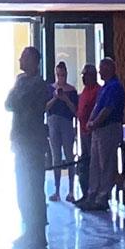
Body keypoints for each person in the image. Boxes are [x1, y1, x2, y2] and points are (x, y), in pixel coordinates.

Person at [3, 44, 52, 249]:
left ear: (33, 60)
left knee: (33, 189)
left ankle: (37, 233)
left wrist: (19, 96)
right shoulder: (20, 81)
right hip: (21, 140)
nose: (19, 61)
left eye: (23, 57)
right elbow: (9, 103)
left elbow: (24, 103)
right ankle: (28, 230)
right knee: (22, 188)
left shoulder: (39, 84)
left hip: (32, 142)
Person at [78, 56, 124, 213]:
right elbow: (98, 106)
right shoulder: (105, 87)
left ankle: (102, 197)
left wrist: (95, 122)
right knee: (95, 164)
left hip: (108, 128)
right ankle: (92, 194)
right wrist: (91, 122)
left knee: (106, 164)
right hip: (98, 129)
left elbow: (107, 109)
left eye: (102, 68)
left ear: (109, 69)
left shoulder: (114, 87)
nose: (99, 71)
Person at [43, 61, 77, 199]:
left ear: (66, 74)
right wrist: (55, 97)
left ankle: (71, 190)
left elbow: (75, 111)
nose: (60, 78)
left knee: (69, 155)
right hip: (53, 122)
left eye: (62, 75)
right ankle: (57, 191)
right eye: (58, 75)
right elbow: (45, 108)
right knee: (56, 156)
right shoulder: (50, 89)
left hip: (67, 122)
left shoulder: (72, 91)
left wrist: (65, 99)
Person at [73, 64, 99, 203]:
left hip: (92, 133)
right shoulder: (85, 91)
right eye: (82, 75)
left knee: (92, 164)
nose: (83, 78)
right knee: (84, 164)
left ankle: (93, 195)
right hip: (83, 132)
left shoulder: (97, 91)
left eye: (86, 75)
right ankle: (85, 194)